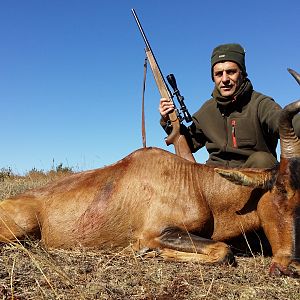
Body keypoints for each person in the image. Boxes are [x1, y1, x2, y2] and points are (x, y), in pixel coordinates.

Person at [159, 43, 300, 168]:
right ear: (213, 78)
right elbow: (188, 144)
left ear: (242, 74)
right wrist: (168, 120)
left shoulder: (261, 104)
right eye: (219, 74)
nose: (225, 79)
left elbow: (284, 121)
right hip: (215, 180)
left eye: (231, 72)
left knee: (263, 160)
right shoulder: (206, 110)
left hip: (252, 182)